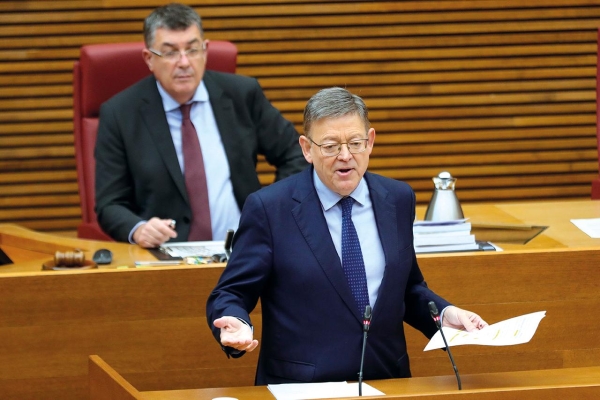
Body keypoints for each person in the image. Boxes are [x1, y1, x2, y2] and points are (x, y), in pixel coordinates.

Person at [206, 87, 488, 384]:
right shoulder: (270, 208)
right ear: (306, 148)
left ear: (371, 142)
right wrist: (235, 322)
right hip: (301, 385)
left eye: (355, 143)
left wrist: (444, 315)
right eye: (330, 146)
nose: (345, 156)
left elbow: (405, 288)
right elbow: (231, 292)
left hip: (386, 379)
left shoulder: (397, 199)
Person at [94, 3, 307, 247]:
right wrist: (139, 229)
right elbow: (110, 203)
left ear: (205, 51)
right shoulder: (120, 114)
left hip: (246, 249)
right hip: (165, 257)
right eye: (171, 52)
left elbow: (294, 154)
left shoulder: (242, 95)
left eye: (192, 50)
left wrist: (273, 212)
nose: (184, 62)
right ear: (149, 58)